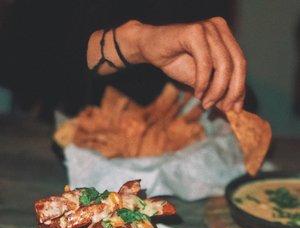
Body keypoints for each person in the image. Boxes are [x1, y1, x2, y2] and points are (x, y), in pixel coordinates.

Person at [0, 0, 246, 117]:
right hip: (61, 137)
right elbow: (17, 58)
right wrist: (134, 42)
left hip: (177, 148)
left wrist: (220, 89)